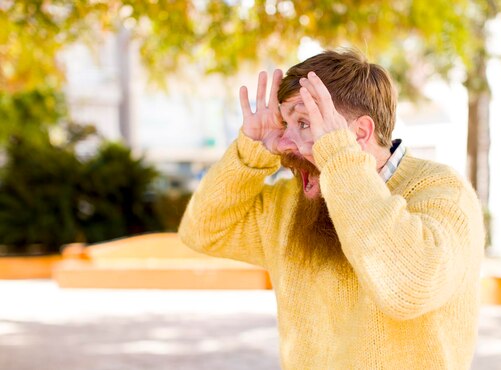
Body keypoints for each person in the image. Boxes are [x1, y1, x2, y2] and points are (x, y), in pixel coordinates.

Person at [178, 49, 484, 369]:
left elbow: (407, 288)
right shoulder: (291, 204)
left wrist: (338, 156)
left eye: (305, 123)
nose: (284, 145)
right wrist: (253, 149)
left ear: (361, 133)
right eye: (285, 124)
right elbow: (202, 230)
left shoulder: (445, 193)